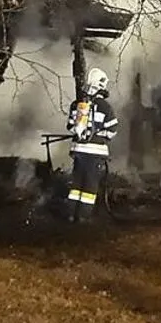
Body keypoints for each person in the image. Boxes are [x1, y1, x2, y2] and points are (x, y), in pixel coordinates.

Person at [64, 68, 118, 223]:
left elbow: (70, 126)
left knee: (76, 184)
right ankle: (83, 217)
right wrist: (101, 136)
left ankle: (70, 214)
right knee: (90, 186)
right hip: (95, 153)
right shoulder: (105, 107)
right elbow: (113, 130)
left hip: (78, 151)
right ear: (100, 84)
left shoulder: (77, 105)